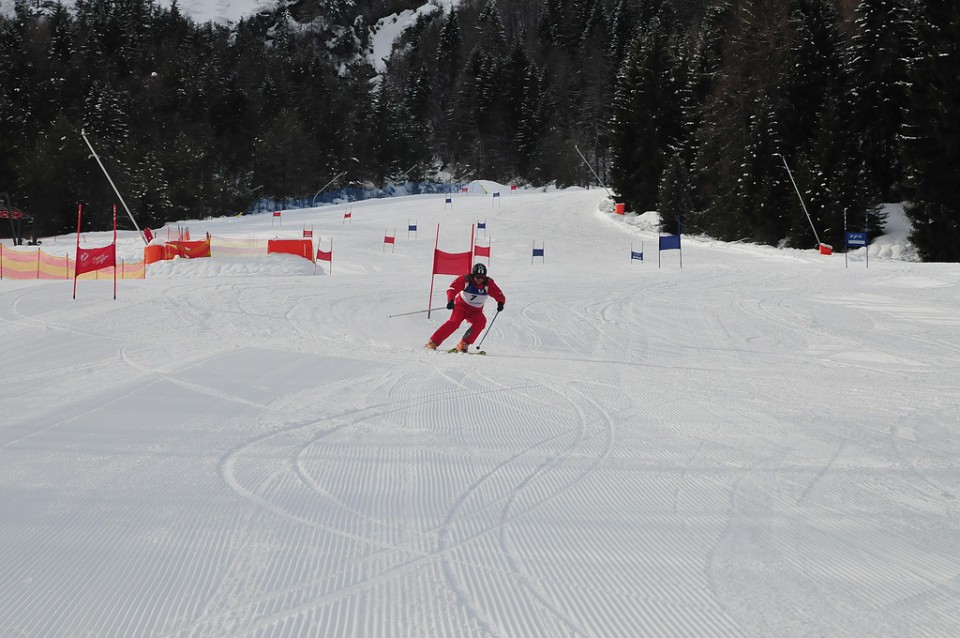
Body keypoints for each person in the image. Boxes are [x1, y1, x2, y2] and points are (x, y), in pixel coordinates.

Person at [425, 263, 505, 352]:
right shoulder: (466, 280)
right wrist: (451, 300)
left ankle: (463, 344)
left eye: (482, 277)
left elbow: (498, 294)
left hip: (476, 311)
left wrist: (500, 302)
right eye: (477, 277)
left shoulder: (488, 283)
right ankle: (433, 342)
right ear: (473, 275)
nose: (480, 279)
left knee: (481, 322)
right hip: (461, 307)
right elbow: (452, 289)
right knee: (454, 322)